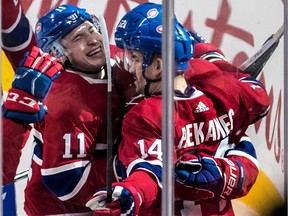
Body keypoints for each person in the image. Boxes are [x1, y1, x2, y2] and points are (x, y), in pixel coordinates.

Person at [85, 3, 269, 216]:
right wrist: (213, 56)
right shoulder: (223, 87)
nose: (131, 68)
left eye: (135, 59)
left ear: (158, 66)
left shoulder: (146, 115)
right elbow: (259, 98)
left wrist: (132, 192)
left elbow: (151, 172)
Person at [2, 4, 134, 215]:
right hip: (61, 209)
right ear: (58, 54)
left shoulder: (107, 60)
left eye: (92, 29)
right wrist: (135, 167)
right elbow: (66, 180)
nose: (92, 40)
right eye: (77, 38)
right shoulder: (67, 102)